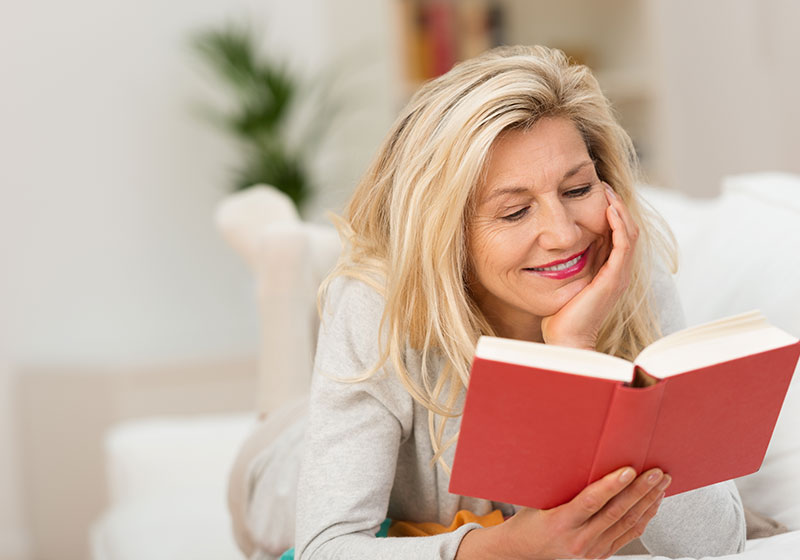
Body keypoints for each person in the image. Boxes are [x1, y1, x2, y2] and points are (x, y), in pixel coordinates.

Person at [228, 45, 746, 560]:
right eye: (516, 211)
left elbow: (713, 543)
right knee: (294, 381)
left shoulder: (627, 274)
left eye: (578, 188)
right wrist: (504, 549)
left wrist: (578, 357)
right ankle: (288, 261)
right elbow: (326, 549)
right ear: (448, 235)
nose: (565, 236)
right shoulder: (373, 308)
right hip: (286, 465)